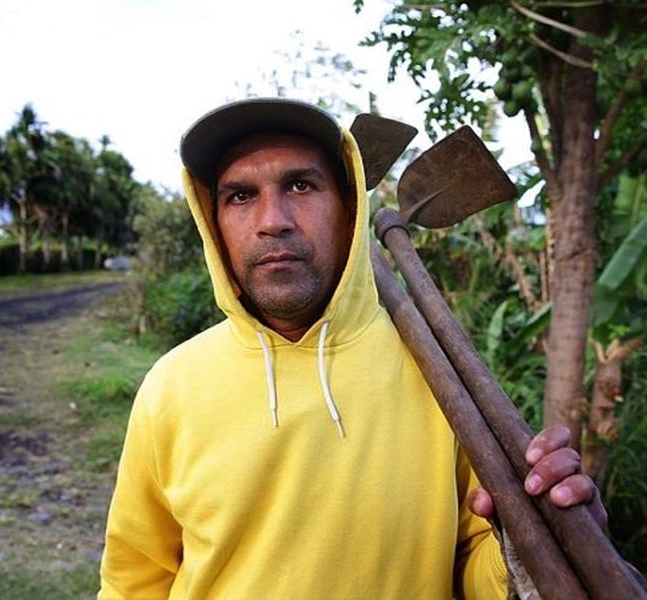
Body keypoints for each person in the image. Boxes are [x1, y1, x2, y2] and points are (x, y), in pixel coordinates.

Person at [98, 98, 606, 599]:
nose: (272, 219)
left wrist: (528, 552)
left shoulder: (441, 378)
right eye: (240, 196)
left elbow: (473, 562)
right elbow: (133, 582)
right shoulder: (171, 387)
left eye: (301, 185)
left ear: (348, 209)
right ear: (213, 223)